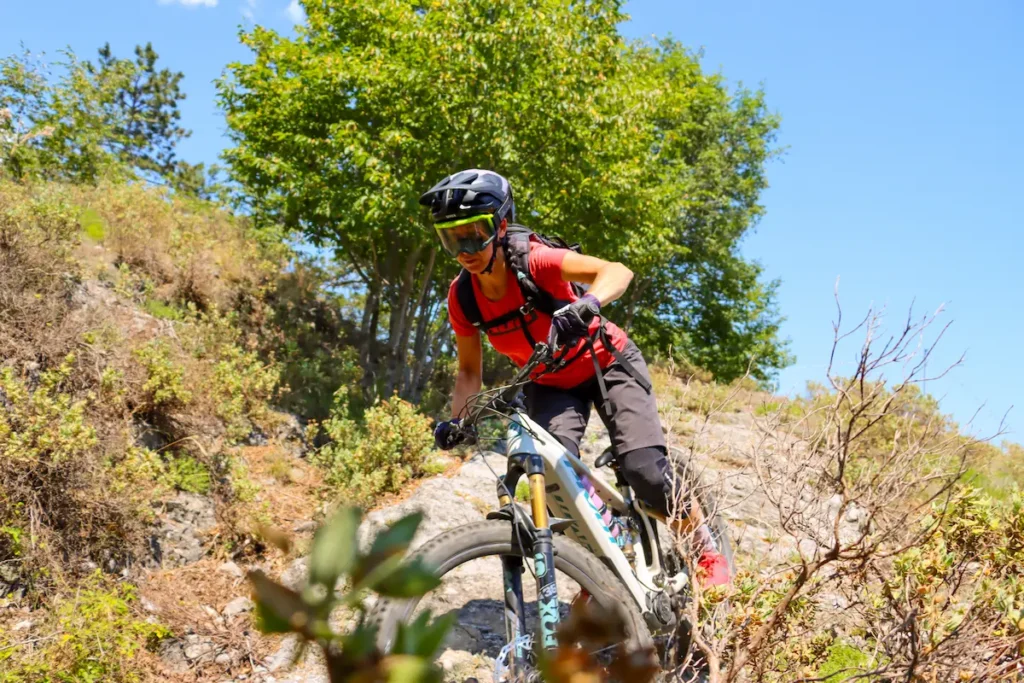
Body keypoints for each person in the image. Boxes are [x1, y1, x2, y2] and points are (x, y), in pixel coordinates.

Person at [422, 169, 730, 586]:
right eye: (452, 238)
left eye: (475, 233)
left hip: (608, 365)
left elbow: (616, 271)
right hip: (549, 384)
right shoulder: (463, 297)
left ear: (502, 225)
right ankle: (608, 569)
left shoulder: (536, 260)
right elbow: (468, 371)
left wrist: (587, 303)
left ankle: (705, 549)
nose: (465, 250)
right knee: (553, 485)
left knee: (644, 471)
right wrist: (459, 422)